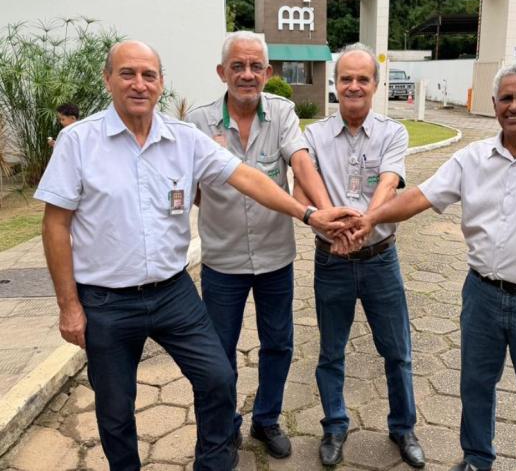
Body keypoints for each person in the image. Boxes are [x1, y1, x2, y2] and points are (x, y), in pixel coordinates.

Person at [35, 40, 356, 471]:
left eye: (149, 75)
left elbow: (247, 177)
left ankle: (213, 463)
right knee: (114, 406)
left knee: (217, 378)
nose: (139, 84)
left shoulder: (183, 138)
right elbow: (55, 225)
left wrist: (309, 214)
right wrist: (69, 306)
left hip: (173, 292)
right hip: (107, 300)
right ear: (108, 79)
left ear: (160, 83)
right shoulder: (78, 141)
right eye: (128, 74)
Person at [351, 61, 516, 471]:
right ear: (494, 105)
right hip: (482, 297)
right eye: (506, 98)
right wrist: (369, 219)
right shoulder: (472, 159)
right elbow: (420, 196)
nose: (515, 106)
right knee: (475, 385)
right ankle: (476, 458)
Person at [186, 31, 333, 459]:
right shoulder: (199, 122)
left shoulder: (282, 112)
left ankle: (266, 419)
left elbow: (301, 162)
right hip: (222, 261)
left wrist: (325, 213)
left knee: (278, 343)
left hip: (275, 258)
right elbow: (192, 188)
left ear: (268, 72)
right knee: (219, 352)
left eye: (255, 67)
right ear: (222, 72)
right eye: (238, 66)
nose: (247, 75)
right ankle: (224, 426)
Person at [296, 43, 425, 468]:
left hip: (380, 260)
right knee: (331, 352)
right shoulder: (313, 137)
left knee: (397, 350)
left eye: (362, 79)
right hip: (330, 260)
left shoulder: (393, 133)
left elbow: (389, 182)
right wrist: (331, 226)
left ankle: (403, 427)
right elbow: (301, 190)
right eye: (346, 78)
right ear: (335, 84)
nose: (354, 86)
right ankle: (334, 426)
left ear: (375, 84)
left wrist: (365, 224)